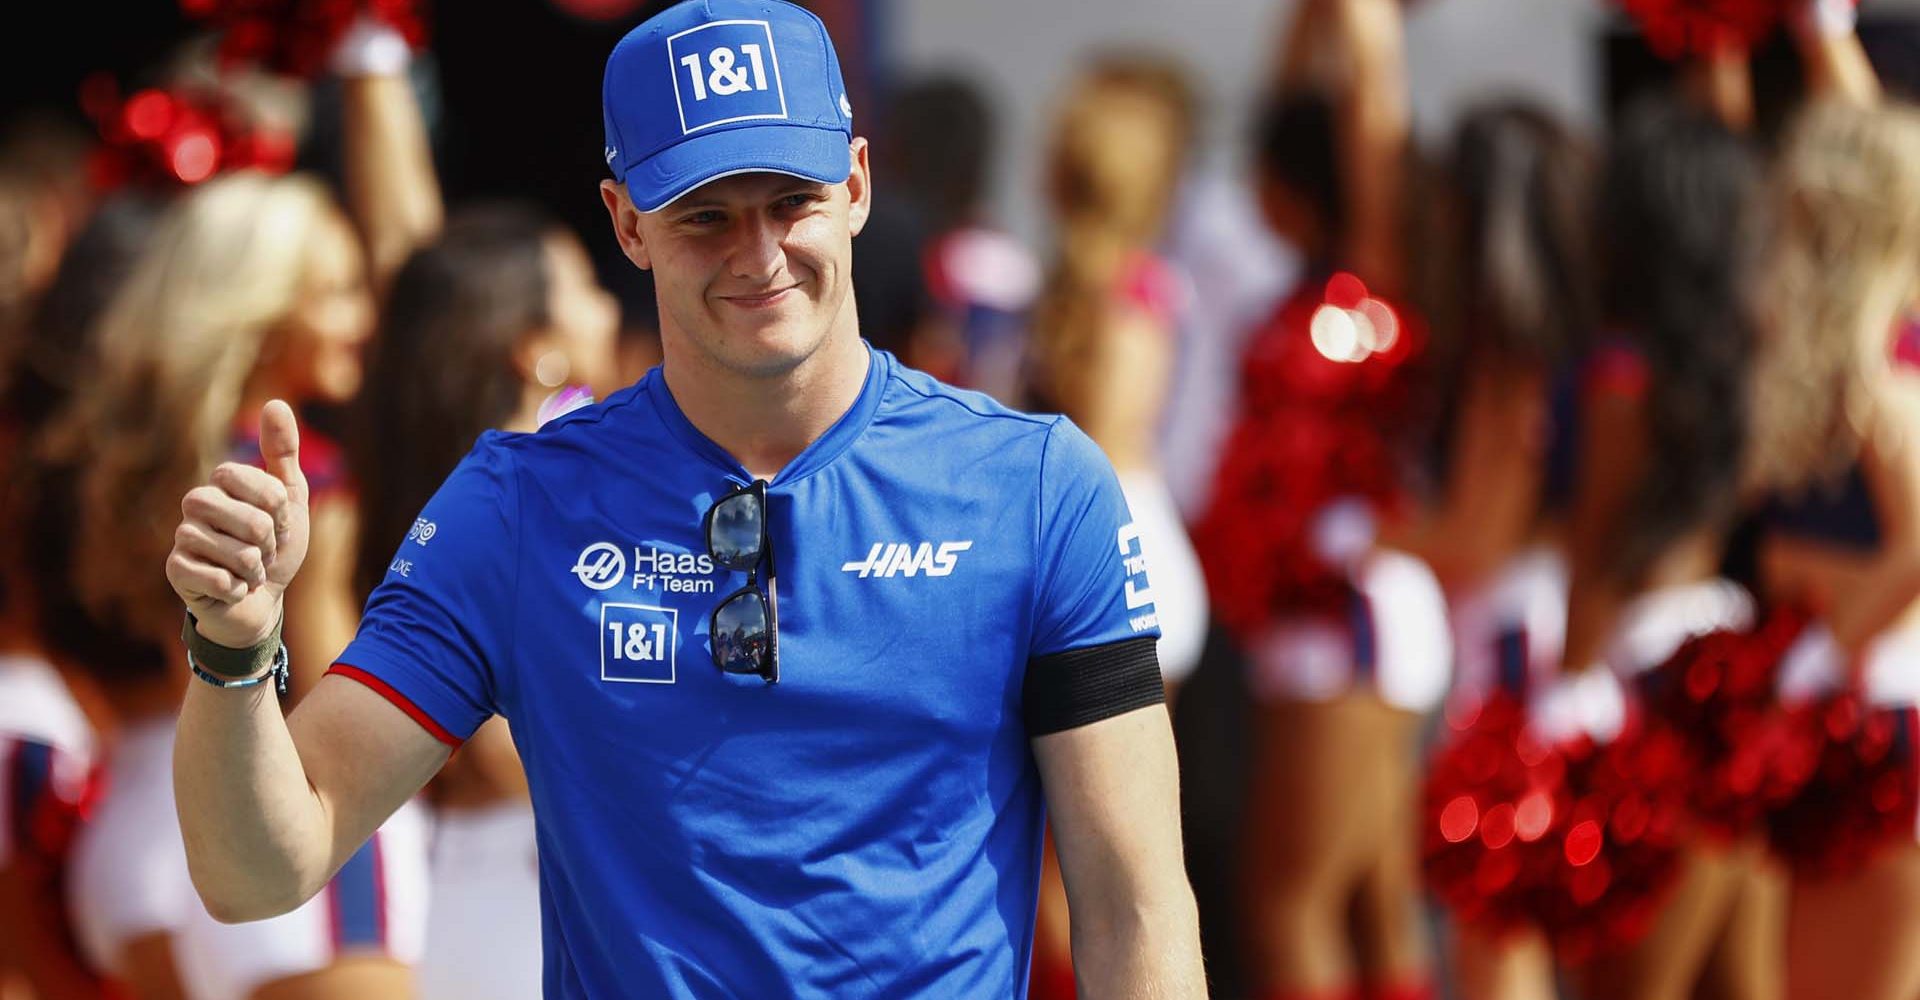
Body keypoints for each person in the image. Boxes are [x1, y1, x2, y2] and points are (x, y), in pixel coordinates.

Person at [164, 2, 1206, 998]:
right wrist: (234, 648)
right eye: (706, 216)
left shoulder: (1034, 487)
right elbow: (259, 870)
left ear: (855, 185)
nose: (759, 256)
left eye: (790, 201)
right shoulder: (520, 505)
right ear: (626, 223)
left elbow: (1134, 909)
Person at [352, 203, 619, 1000]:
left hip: (468, 894)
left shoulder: (436, 492)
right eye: (583, 286)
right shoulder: (532, 506)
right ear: (536, 347)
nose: (611, 306)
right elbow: (501, 745)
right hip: (532, 902)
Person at [1555, 100, 1774, 1000]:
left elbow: (1601, 551)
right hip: (1737, 667)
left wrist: (1557, 693)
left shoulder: (1624, 373)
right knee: (1742, 979)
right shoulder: (1746, 358)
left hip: (1648, 681)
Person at [1023, 54, 1212, 999]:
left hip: (1113, 565)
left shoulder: (1123, 297)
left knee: (1098, 850)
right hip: (1115, 556)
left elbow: (1093, 445)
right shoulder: (1095, 287)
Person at [1400, 101, 1594, 1000]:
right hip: (1538, 641)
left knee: (1494, 929)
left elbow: (1473, 543)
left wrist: (1360, 531)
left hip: (1509, 657)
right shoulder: (1569, 340)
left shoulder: (1509, 354)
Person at [1746, 100, 1920, 1000]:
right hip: (1856, 712)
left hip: (1883, 716)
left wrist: (1828, 646)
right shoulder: (1839, 368)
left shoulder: (1882, 378)